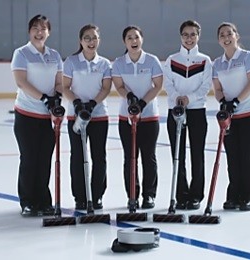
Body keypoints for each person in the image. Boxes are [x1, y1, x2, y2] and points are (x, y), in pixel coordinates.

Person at [11, 14, 63, 217]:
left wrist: (56, 97)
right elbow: (21, 82)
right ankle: (27, 201)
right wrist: (44, 98)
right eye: (35, 28)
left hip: (46, 117)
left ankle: (43, 200)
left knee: (44, 159)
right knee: (29, 158)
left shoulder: (54, 55)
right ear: (29, 31)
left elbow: (59, 82)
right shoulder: (22, 53)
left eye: (43, 28)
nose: (39, 32)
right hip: (26, 114)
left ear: (48, 32)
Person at [212, 22, 250, 211]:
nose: (226, 37)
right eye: (222, 35)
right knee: (233, 158)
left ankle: (248, 196)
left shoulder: (248, 57)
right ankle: (233, 195)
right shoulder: (217, 63)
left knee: (247, 157)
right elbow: (217, 89)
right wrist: (223, 101)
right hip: (230, 118)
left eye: (229, 33)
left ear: (236, 36)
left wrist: (236, 102)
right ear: (219, 40)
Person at [61, 24, 112, 211]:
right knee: (78, 156)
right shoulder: (71, 62)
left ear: (99, 40)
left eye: (94, 38)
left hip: (98, 116)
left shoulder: (105, 64)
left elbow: (106, 88)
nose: (91, 42)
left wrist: (92, 104)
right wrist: (76, 103)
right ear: (81, 41)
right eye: (87, 38)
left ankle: (97, 195)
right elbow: (66, 87)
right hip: (76, 116)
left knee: (99, 156)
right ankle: (80, 197)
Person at [112, 25, 163, 209]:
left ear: (142, 39)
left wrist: (142, 103)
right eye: (129, 38)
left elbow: (157, 85)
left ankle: (149, 195)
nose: (134, 41)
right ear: (124, 42)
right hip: (127, 116)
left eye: (136, 37)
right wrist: (129, 97)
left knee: (148, 156)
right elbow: (118, 85)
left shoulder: (152, 60)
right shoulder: (118, 63)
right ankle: (132, 194)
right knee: (130, 157)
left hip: (149, 116)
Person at [163, 20, 212, 210]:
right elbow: (167, 84)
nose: (189, 38)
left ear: (198, 36)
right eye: (185, 34)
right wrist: (177, 98)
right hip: (175, 111)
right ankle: (180, 194)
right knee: (178, 154)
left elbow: (206, 86)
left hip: (197, 110)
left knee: (197, 154)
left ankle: (196, 195)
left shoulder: (205, 60)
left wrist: (189, 99)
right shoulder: (172, 59)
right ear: (180, 36)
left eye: (193, 34)